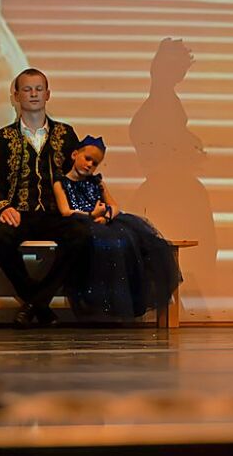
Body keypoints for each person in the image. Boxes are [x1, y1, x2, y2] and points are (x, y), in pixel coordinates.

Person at [0, 68, 90, 328]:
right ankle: (40, 303)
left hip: (56, 213)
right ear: (16, 95)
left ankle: (35, 302)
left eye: (38, 89)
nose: (33, 94)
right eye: (27, 89)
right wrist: (4, 208)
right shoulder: (2, 138)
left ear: (48, 94)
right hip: (20, 212)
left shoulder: (66, 134)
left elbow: (75, 175)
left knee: (81, 235)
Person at [53, 136, 180, 319]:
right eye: (87, 158)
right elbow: (65, 211)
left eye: (95, 163)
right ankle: (97, 302)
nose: (90, 165)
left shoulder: (96, 182)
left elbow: (114, 205)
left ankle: (125, 298)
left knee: (130, 242)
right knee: (103, 246)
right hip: (80, 223)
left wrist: (105, 216)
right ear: (74, 155)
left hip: (102, 222)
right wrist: (91, 215)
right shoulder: (61, 182)